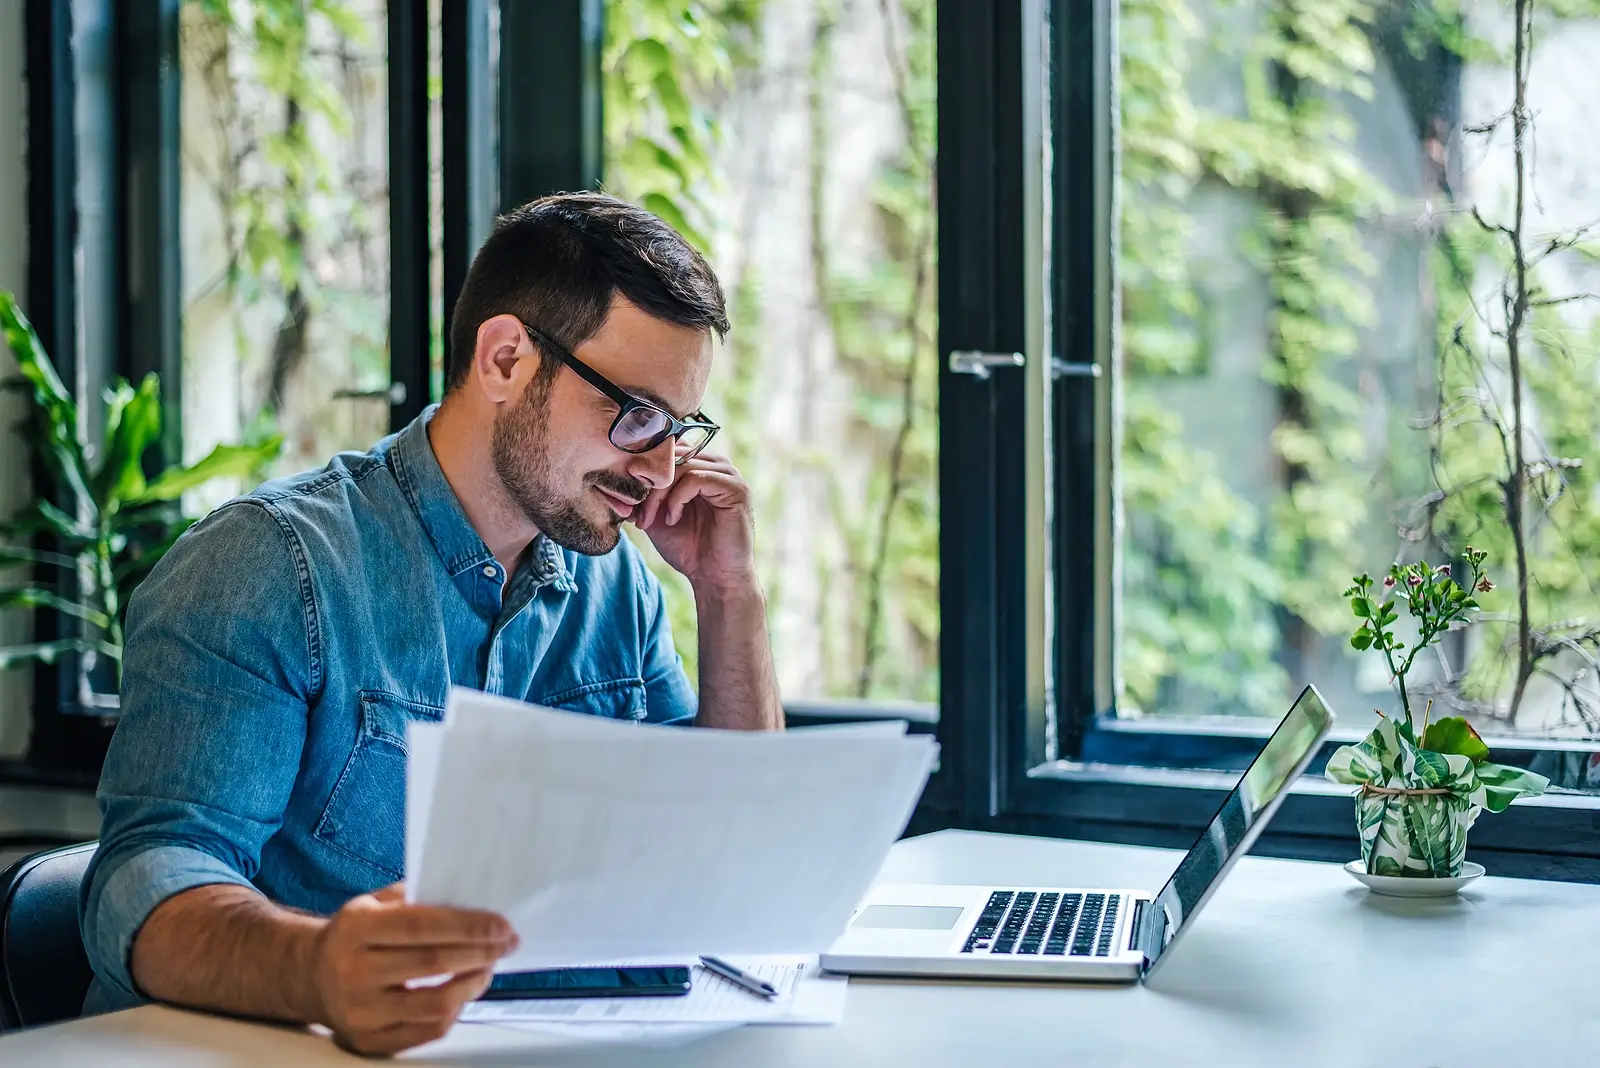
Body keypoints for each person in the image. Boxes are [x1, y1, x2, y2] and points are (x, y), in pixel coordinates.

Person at [78, 193, 783, 1055]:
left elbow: (733, 859)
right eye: (636, 416)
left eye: (681, 429)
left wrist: (728, 592)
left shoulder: (618, 584)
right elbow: (145, 879)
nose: (661, 467)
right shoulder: (269, 566)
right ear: (505, 359)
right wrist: (317, 970)